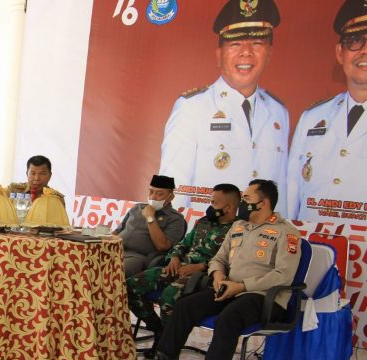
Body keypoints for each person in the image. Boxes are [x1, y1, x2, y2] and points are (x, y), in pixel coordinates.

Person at [125, 180, 301, 360]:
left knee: (228, 318)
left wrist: (241, 286)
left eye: (247, 199)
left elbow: (284, 275)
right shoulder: (239, 227)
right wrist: (218, 275)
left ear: (264, 202)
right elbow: (219, 259)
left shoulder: (286, 233)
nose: (243, 203)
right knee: (185, 306)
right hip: (227, 288)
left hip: (262, 296)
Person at [159, 0, 289, 214]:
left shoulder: (278, 112)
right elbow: (174, 189)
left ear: (269, 52)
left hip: (262, 239)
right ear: (219, 54)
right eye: (235, 44)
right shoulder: (192, 107)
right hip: (210, 238)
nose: (246, 52)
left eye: (257, 43)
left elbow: (281, 193)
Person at [127, 183, 241, 358]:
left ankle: (165, 347)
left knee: (169, 297)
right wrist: (174, 257)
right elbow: (183, 244)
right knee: (130, 287)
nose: (210, 206)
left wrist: (201, 266)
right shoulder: (204, 222)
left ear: (229, 207)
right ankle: (160, 332)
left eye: (214, 203)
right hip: (179, 267)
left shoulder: (239, 230)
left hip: (204, 276)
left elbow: (233, 262)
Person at [286, 0, 367, 224]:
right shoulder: (312, 118)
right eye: (356, 41)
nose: (364, 50)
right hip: (312, 250)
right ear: (340, 52)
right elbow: (291, 195)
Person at [113, 175, 186, 278]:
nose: (153, 197)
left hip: (137, 257)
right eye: (151, 192)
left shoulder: (175, 219)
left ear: (170, 197)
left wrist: (150, 217)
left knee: (114, 271)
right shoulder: (137, 208)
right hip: (115, 249)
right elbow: (117, 231)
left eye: (159, 194)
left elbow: (163, 246)